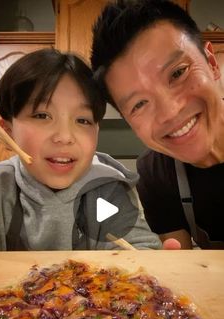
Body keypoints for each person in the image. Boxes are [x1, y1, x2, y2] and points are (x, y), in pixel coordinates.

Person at [0, 47, 164, 251]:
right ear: (7, 131)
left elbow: (138, 249)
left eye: (82, 120)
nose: (64, 137)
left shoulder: (105, 190)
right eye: (42, 116)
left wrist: (151, 265)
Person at [91, 0, 224, 249]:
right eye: (139, 104)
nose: (170, 112)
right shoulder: (155, 174)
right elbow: (184, 267)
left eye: (177, 73)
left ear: (212, 63)